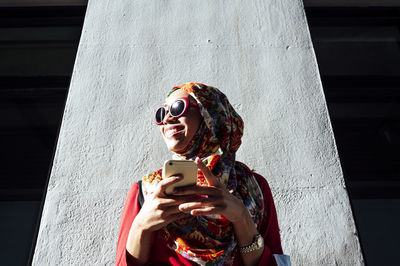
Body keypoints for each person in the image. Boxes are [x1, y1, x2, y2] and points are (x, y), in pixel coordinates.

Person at [116, 83, 284, 265]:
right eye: (161, 113)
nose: (167, 119)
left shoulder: (252, 187)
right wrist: (141, 226)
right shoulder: (145, 191)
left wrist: (242, 217)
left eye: (178, 107)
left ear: (210, 113)